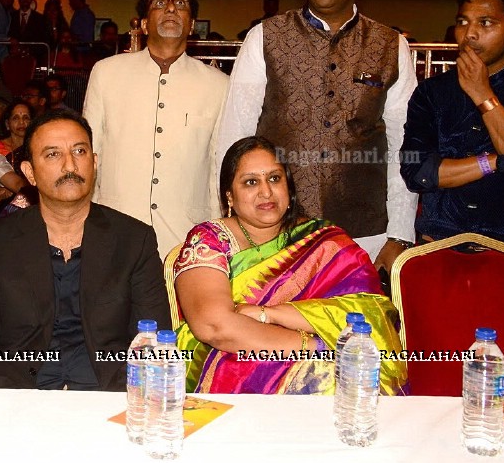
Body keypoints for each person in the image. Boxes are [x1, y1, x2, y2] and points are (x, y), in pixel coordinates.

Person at [215, 0, 418, 273]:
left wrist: (399, 233)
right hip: (274, 229)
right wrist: (231, 224)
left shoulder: (390, 45)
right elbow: (234, 138)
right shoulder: (265, 37)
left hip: (365, 232)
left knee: (354, 326)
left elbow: (403, 144)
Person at [173, 136, 407, 395]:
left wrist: (270, 313)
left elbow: (371, 314)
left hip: (318, 353)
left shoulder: (323, 239)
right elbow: (214, 326)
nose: (266, 192)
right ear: (229, 195)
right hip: (230, 358)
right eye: (251, 182)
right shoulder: (209, 240)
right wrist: (315, 348)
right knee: (330, 375)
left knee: (353, 374)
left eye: (274, 178)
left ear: (289, 187)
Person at [0, 111, 169, 390]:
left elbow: (153, 340)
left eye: (79, 151)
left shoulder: (134, 239)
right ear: (29, 173)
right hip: (21, 394)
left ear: (94, 163)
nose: (69, 164)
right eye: (52, 154)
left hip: (108, 391)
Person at [84, 0, 228, 260]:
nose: (171, 8)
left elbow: (217, 165)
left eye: (181, 4)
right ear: (145, 23)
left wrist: (216, 234)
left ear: (192, 24)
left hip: (187, 238)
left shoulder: (218, 85)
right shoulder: (106, 73)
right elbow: (89, 153)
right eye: (160, 3)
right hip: (113, 230)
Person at [402, 0, 504, 250]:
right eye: (463, 22)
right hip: (442, 246)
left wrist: (482, 95)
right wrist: (497, 160)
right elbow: (417, 172)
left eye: (485, 23)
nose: (469, 34)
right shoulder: (432, 93)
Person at [0, 99, 32, 172]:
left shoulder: (36, 147)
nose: (21, 122)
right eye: (16, 118)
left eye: (26, 118)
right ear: (7, 124)